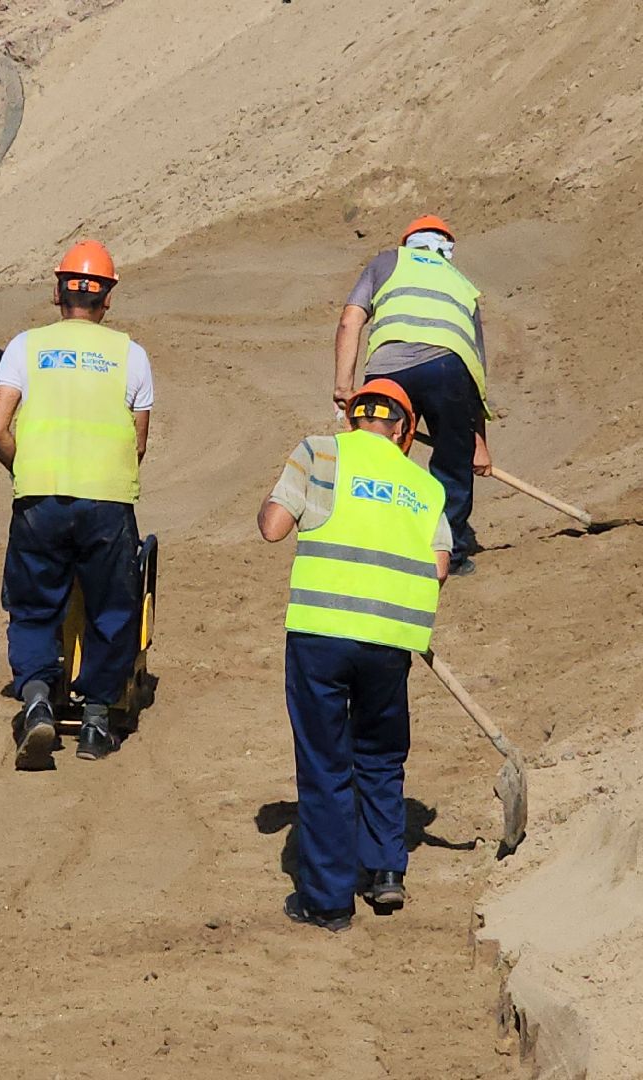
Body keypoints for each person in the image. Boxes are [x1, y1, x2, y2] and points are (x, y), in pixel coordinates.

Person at [258, 379, 452, 931]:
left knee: (325, 765)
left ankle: (328, 901)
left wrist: (272, 503)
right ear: (403, 430)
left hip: (321, 631)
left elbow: (274, 529)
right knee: (381, 753)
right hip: (392, 638)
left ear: (354, 420)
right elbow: (438, 565)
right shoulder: (424, 484)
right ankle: (386, 870)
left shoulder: (320, 452)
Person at [0, 240, 153, 769]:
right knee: (111, 608)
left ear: (58, 293)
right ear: (108, 300)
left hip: (39, 497)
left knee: (34, 605)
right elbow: (139, 442)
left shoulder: (24, 347)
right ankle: (97, 720)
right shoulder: (131, 355)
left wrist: (25, 467)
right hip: (106, 501)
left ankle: (37, 698)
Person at [333, 214, 492, 575]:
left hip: (390, 369)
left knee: (376, 454)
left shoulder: (386, 261)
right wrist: (477, 441)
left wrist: (344, 385)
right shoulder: (463, 284)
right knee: (452, 464)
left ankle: (371, 542)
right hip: (450, 369)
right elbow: (478, 370)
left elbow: (350, 320)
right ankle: (448, 556)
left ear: (408, 242)